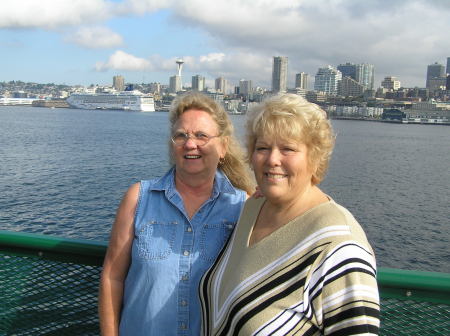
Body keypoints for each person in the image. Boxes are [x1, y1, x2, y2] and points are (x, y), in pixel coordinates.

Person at [200, 94, 380, 335]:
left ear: (314, 158)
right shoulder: (252, 209)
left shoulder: (340, 245)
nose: (273, 159)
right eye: (262, 147)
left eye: (288, 149)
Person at [99, 92, 254, 336]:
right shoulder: (139, 198)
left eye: (202, 135)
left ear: (223, 146)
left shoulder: (242, 205)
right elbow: (112, 277)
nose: (190, 144)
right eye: (181, 135)